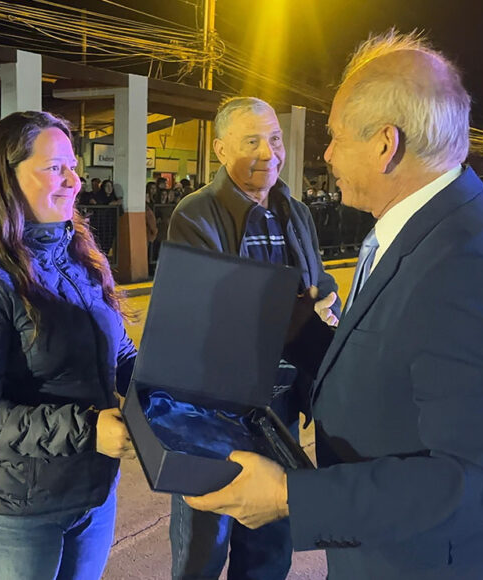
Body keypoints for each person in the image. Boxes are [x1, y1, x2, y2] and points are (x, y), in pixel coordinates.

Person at [184, 32, 483, 580]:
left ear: (386, 144)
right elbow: (397, 369)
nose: (326, 153)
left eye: (336, 137)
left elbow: (482, 486)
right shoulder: (432, 232)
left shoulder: (468, 265)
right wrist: (303, 334)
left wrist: (292, 497)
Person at [0, 111, 136, 580]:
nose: (75, 181)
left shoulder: (79, 257)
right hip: (13, 513)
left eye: (73, 166)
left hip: (91, 498)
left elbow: (118, 353)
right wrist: (87, 430)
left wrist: (164, 386)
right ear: (6, 178)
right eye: (54, 167)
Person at [168, 96, 340, 580]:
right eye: (251, 141)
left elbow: (319, 282)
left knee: (269, 547)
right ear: (221, 150)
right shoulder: (195, 214)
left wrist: (327, 303)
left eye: (275, 139)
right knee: (202, 548)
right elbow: (202, 311)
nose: (269, 152)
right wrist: (292, 309)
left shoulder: (295, 211)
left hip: (280, 408)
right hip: (216, 412)